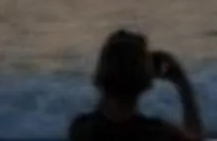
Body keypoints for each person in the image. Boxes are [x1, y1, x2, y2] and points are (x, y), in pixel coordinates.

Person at [72, 30, 204, 141]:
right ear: (146, 82)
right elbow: (196, 137)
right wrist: (182, 83)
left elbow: (103, 113)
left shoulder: (80, 129)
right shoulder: (159, 134)